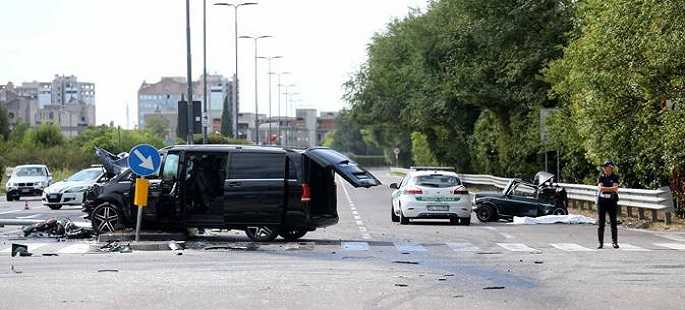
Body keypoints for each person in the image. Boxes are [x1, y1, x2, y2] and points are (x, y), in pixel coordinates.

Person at [597, 160, 620, 249]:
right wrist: (610, 188)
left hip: (612, 201)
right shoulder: (601, 177)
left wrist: (606, 188)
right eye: (604, 167)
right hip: (602, 201)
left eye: (606, 167)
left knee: (613, 222)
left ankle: (614, 242)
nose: (604, 168)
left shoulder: (615, 177)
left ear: (611, 167)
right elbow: (600, 188)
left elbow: (615, 189)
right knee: (601, 223)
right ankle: (600, 243)